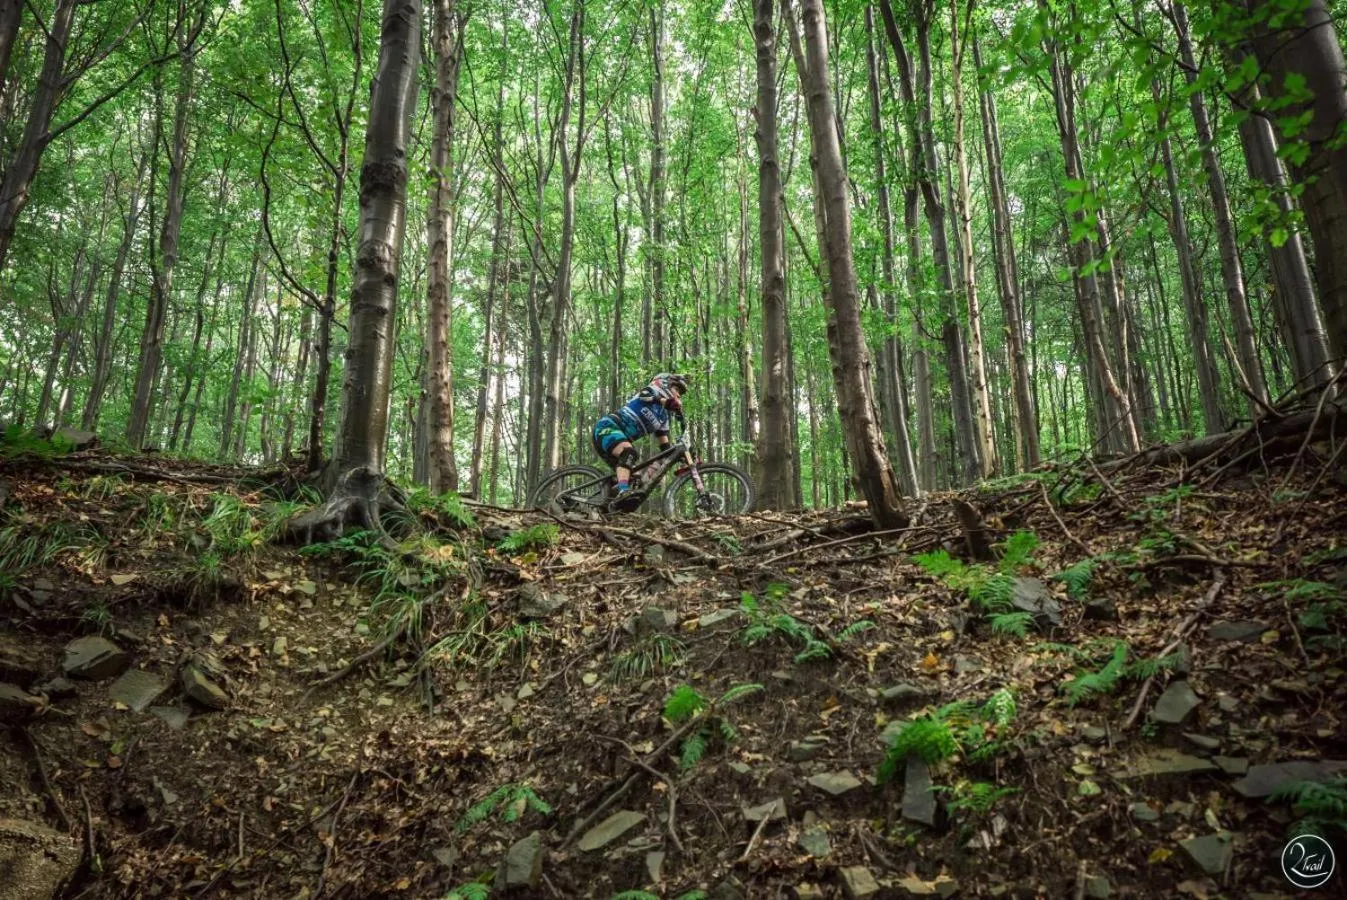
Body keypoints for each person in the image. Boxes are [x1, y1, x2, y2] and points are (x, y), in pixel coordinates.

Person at [591, 373, 688, 507]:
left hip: (617, 437)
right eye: (677, 390)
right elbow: (646, 396)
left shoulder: (663, 418)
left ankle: (606, 507)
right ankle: (623, 491)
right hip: (607, 427)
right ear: (664, 383)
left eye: (680, 394)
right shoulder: (650, 391)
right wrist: (665, 401)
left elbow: (665, 448)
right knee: (629, 453)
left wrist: (680, 455)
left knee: (635, 480)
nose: (678, 395)